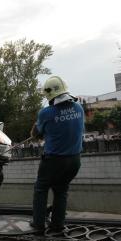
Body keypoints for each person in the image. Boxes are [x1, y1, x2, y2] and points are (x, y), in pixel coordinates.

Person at [30, 76, 84, 232]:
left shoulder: (46, 113)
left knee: (41, 189)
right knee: (61, 191)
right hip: (75, 160)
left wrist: (38, 127)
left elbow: (37, 134)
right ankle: (57, 225)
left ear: (49, 95)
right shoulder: (79, 108)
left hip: (53, 161)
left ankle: (38, 224)